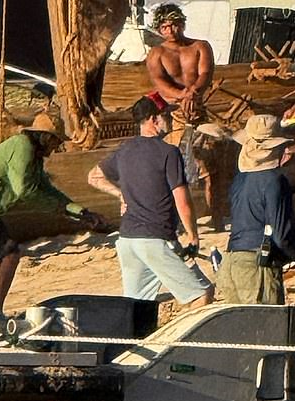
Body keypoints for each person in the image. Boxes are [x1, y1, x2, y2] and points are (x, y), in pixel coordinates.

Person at [0, 112, 106, 316]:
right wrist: (57, 208)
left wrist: (80, 212)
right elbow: (24, 190)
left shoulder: (35, 158)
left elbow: (46, 189)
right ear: (46, 137)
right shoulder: (22, 146)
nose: (57, 147)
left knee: (10, 254)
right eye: (56, 141)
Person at [87, 93, 214, 308]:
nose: (172, 120)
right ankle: (184, 342)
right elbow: (182, 200)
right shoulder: (168, 153)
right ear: (154, 120)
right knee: (201, 294)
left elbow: (94, 176)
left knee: (136, 307)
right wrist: (193, 236)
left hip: (127, 239)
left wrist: (120, 194)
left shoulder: (124, 150)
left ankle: (136, 342)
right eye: (167, 115)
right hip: (156, 238)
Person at [218, 115, 295, 304]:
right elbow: (281, 237)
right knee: (266, 329)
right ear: (276, 148)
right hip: (258, 266)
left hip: (232, 261)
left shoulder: (240, 179)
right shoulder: (275, 181)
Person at [146, 4, 215, 181]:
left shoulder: (200, 46)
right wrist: (183, 95)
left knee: (207, 161)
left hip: (197, 109)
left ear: (182, 24)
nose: (170, 30)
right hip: (172, 112)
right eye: (165, 27)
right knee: (173, 161)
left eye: (174, 24)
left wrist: (193, 92)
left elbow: (206, 73)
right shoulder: (156, 52)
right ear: (159, 29)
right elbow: (159, 81)